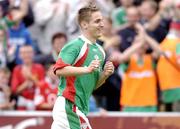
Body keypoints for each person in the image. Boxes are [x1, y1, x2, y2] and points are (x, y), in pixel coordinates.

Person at [51, 3, 114, 129]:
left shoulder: (101, 51)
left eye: (101, 20)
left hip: (79, 107)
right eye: (97, 21)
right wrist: (86, 69)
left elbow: (92, 85)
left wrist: (104, 75)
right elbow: (58, 70)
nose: (102, 24)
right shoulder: (75, 45)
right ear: (85, 24)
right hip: (69, 105)